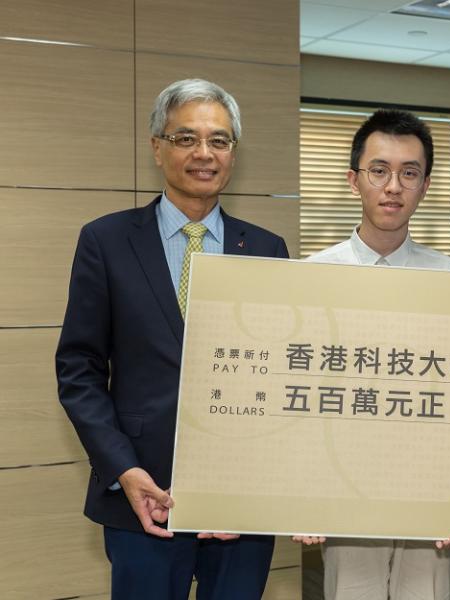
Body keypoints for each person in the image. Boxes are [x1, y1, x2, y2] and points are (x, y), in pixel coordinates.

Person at [55, 78, 288, 600]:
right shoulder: (106, 240)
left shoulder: (268, 249)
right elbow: (79, 369)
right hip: (141, 493)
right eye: (187, 139)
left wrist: (257, 488)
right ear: (157, 147)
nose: (204, 154)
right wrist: (123, 468)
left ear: (233, 152)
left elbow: (280, 376)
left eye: (220, 140)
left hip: (240, 504)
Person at [299, 109, 450, 600]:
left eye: (409, 173)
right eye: (379, 171)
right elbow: (301, 394)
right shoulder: (312, 276)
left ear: (425, 185)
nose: (393, 186)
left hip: (428, 482)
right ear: (354, 180)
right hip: (345, 481)